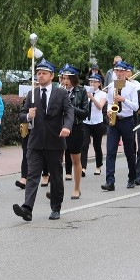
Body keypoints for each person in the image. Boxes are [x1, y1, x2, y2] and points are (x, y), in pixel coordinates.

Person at [13, 59, 73, 221]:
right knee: (32, 174)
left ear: (52, 76)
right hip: (36, 141)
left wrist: (67, 126)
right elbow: (22, 115)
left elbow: (69, 112)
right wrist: (28, 116)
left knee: (55, 175)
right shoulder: (32, 94)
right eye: (38, 73)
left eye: (44, 73)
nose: (40, 76)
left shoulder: (61, 93)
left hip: (55, 140)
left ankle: (56, 207)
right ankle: (27, 208)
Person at [101, 61, 139, 191]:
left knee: (129, 151)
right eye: (116, 71)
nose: (118, 73)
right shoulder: (112, 86)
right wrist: (109, 110)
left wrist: (124, 100)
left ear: (126, 72)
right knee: (111, 152)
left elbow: (136, 106)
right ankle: (109, 181)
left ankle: (132, 177)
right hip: (114, 121)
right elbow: (110, 102)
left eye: (121, 71)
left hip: (127, 120)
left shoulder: (132, 87)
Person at [60, 64, 90, 199]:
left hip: (76, 128)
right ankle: (56, 188)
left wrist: (70, 107)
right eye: (63, 78)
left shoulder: (81, 91)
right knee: (56, 159)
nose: (64, 81)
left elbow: (85, 113)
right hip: (60, 128)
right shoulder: (59, 91)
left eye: (67, 78)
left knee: (75, 159)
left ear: (73, 79)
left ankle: (77, 188)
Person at [82, 73, 107, 175]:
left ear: (99, 83)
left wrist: (91, 97)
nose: (92, 84)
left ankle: (98, 166)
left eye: (95, 82)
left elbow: (100, 106)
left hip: (97, 122)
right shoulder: (84, 93)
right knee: (84, 145)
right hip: (86, 122)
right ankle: (83, 167)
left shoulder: (102, 94)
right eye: (91, 82)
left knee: (97, 145)